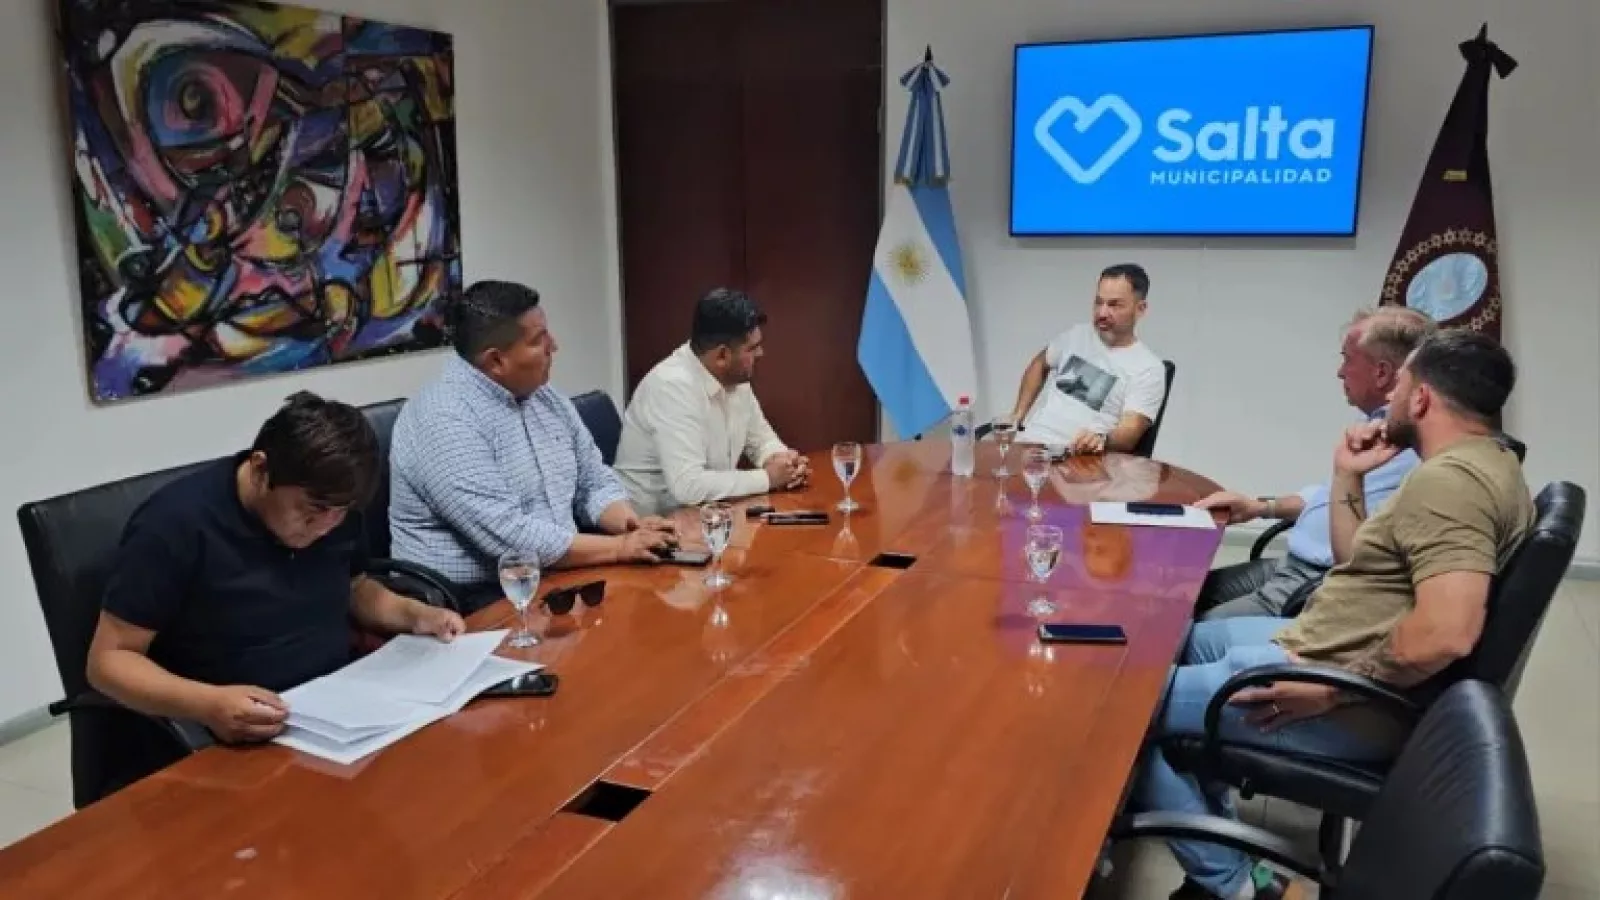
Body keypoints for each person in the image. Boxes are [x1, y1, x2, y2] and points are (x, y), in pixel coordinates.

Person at [1136, 329, 1534, 900]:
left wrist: (1334, 688)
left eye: (1400, 385)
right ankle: (1211, 823)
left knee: (1115, 713)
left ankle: (1240, 885)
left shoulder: (1452, 485)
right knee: (1184, 638)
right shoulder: (1484, 462)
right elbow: (1355, 560)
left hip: (1337, 687)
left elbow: (1448, 632)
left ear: (1422, 398)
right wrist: (1348, 473)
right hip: (1322, 644)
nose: (1390, 398)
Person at [86, 392, 465, 801]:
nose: (326, 525)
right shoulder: (174, 526)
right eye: (312, 509)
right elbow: (109, 661)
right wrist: (208, 705)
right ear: (260, 469)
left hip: (337, 721)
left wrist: (414, 614)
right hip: (230, 743)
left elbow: (353, 588)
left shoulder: (336, 510)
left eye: (340, 511)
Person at [389, 280, 677, 612]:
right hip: (473, 600)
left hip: (557, 576)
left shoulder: (545, 397)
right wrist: (619, 548)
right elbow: (508, 536)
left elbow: (593, 480)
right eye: (538, 340)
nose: (554, 346)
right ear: (496, 361)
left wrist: (632, 525)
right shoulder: (443, 418)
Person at [1194, 307, 1437, 620]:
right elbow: (1327, 497)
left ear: (1382, 373)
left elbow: (1358, 556)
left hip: (1316, 582)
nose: (1340, 372)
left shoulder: (1408, 446)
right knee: (1179, 596)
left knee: (1182, 631)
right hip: (1289, 565)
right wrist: (1259, 507)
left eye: (1347, 359)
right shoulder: (1373, 424)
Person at [614, 288, 808, 516]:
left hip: (710, 515)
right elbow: (688, 486)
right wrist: (768, 478)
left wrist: (784, 462)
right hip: (655, 525)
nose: (761, 353)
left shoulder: (735, 378)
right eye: (752, 348)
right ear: (722, 356)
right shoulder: (672, 387)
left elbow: (761, 440)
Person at [1007, 263, 1166, 454]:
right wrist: (1017, 416)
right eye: (1098, 302)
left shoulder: (1148, 368)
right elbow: (1040, 364)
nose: (1102, 313)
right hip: (1030, 445)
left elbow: (1129, 432)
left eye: (1114, 305)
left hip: (1078, 458)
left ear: (1140, 309)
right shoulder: (1076, 335)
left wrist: (1101, 440)